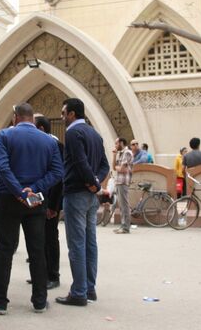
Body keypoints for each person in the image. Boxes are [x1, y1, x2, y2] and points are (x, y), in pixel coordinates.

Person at [0, 103, 63, 315]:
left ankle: (0, 301)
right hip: (36, 202)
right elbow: (57, 172)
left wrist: (20, 192)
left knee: (5, 249)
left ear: (15, 117)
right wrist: (34, 189)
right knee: (37, 250)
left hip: (8, 198)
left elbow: (2, 167)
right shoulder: (49, 141)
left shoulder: (4, 136)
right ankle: (39, 301)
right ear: (31, 118)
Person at [56, 98, 109, 307]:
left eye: (63, 113)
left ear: (71, 114)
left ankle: (79, 291)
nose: (62, 117)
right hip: (90, 196)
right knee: (90, 241)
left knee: (77, 243)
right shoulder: (94, 134)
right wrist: (96, 183)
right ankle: (89, 287)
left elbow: (79, 162)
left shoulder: (73, 133)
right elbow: (104, 165)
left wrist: (91, 182)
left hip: (77, 193)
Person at [33, 115, 64, 290]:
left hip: (50, 201)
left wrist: (53, 206)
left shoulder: (56, 146)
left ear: (42, 129)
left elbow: (58, 179)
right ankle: (41, 274)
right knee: (39, 238)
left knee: (50, 238)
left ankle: (53, 275)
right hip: (38, 200)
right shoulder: (39, 146)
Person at [112, 137, 134, 234]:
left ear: (121, 143)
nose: (115, 146)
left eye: (116, 144)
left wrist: (118, 168)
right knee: (121, 205)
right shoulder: (121, 153)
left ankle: (125, 227)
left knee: (124, 205)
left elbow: (122, 169)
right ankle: (123, 225)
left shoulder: (127, 153)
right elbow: (114, 167)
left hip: (123, 182)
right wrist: (114, 155)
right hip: (119, 181)